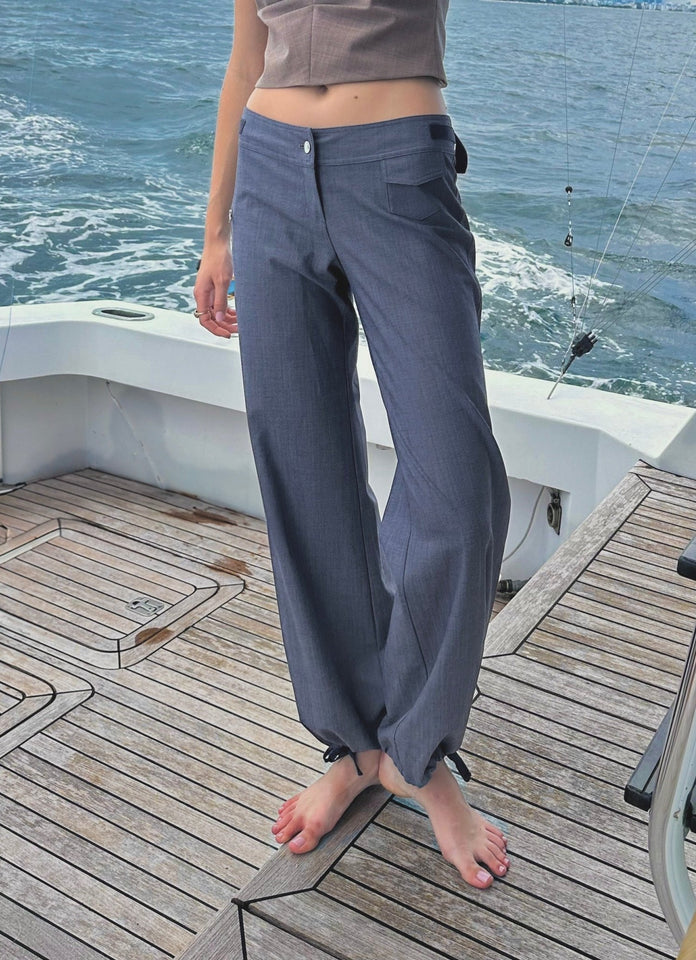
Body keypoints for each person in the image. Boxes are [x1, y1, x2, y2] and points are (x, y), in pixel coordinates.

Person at [193, 0, 512, 890]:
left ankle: (418, 751)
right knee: (304, 471)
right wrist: (217, 229)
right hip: (269, 172)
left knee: (457, 485)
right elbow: (245, 55)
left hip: (399, 164)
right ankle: (358, 744)